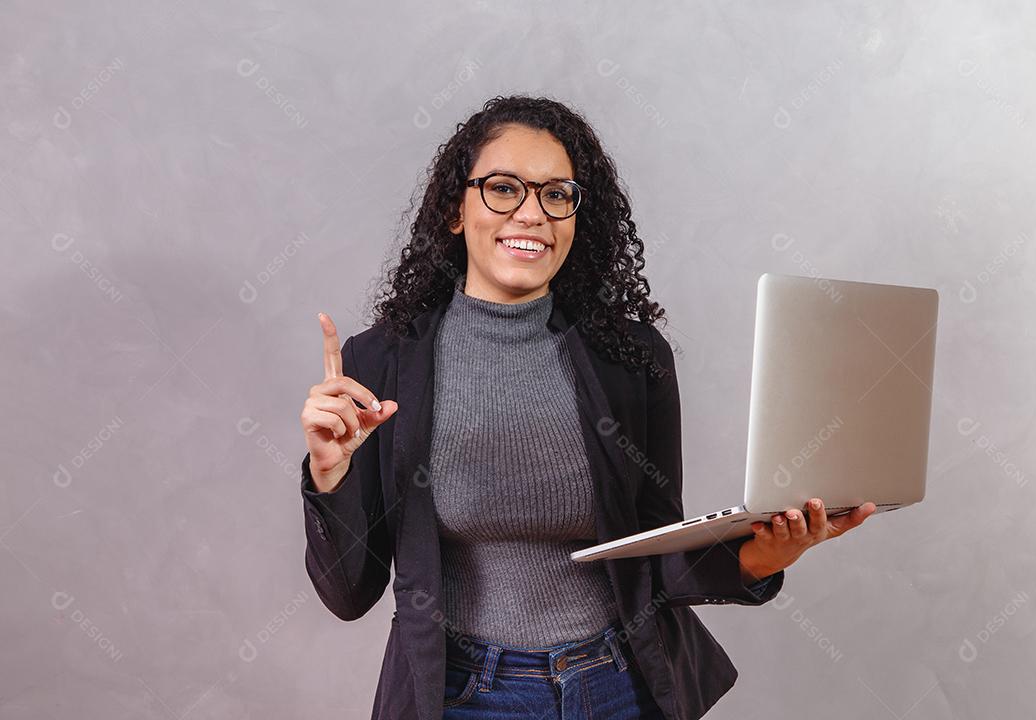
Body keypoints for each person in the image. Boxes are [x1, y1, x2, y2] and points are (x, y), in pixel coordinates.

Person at [298, 95, 876, 720]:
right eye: (502, 189)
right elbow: (348, 591)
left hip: (621, 688)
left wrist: (769, 553)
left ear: (576, 215)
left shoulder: (628, 357)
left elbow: (658, 554)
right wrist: (331, 476)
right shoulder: (383, 363)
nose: (532, 214)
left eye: (556, 195)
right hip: (464, 695)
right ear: (453, 211)